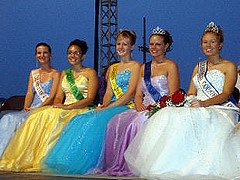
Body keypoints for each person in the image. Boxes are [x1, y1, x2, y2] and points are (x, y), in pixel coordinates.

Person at [125, 22, 240, 179]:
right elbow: (192, 92)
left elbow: (226, 94)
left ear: (220, 45)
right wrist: (187, 102)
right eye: (205, 42)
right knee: (170, 114)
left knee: (198, 119)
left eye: (213, 41)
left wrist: (203, 104)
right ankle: (168, 165)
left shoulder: (229, 66)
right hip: (199, 106)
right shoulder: (198, 67)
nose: (209, 45)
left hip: (220, 109)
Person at [41, 29, 141, 175]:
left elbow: (130, 93)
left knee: (98, 121)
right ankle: (68, 160)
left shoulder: (137, 66)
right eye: (118, 44)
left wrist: (109, 108)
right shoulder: (112, 68)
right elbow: (108, 92)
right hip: (111, 105)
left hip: (126, 105)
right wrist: (104, 105)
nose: (120, 47)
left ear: (132, 47)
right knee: (80, 119)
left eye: (125, 44)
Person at [0, 39, 98, 172]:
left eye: (76, 53)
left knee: (58, 118)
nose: (72, 55)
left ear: (83, 55)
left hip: (80, 108)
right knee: (40, 115)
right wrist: (58, 104)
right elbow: (58, 97)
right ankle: (32, 157)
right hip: (64, 107)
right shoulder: (65, 73)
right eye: (70, 53)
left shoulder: (90, 73)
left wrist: (68, 107)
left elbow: (90, 99)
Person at [98, 26, 180, 176]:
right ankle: (117, 163)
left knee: (135, 124)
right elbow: (137, 94)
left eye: (158, 44)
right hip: (143, 107)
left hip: (162, 107)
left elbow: (173, 94)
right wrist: (139, 104)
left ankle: (136, 165)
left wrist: (154, 107)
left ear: (166, 46)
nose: (153, 47)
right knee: (115, 121)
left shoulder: (171, 66)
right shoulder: (144, 67)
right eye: (151, 44)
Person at [0, 42, 60, 157]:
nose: (42, 55)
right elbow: (29, 93)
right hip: (32, 106)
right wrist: (26, 107)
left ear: (50, 55)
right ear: (35, 56)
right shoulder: (33, 73)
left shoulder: (56, 74)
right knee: (9, 118)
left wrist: (38, 108)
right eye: (39, 53)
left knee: (25, 120)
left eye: (45, 53)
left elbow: (52, 96)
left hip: (45, 107)